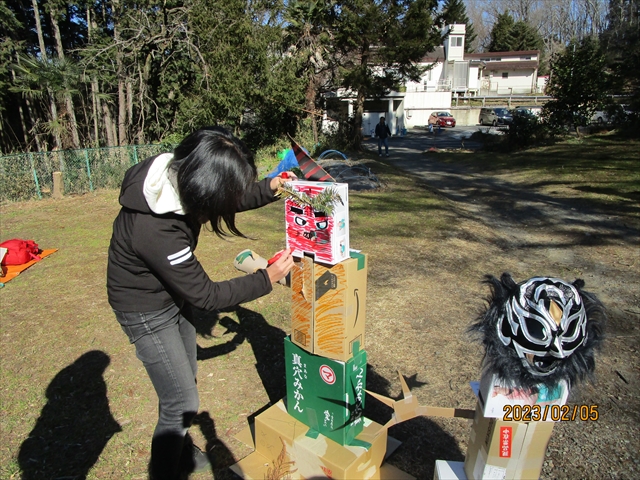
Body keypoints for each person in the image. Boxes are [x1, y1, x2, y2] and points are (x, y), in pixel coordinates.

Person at [106, 126, 296, 480]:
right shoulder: (156, 229)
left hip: (169, 293)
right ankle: (165, 471)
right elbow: (206, 295)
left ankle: (179, 455)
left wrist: (270, 188)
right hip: (143, 308)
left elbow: (224, 195)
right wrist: (265, 278)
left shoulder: (181, 172)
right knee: (181, 402)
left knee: (184, 380)